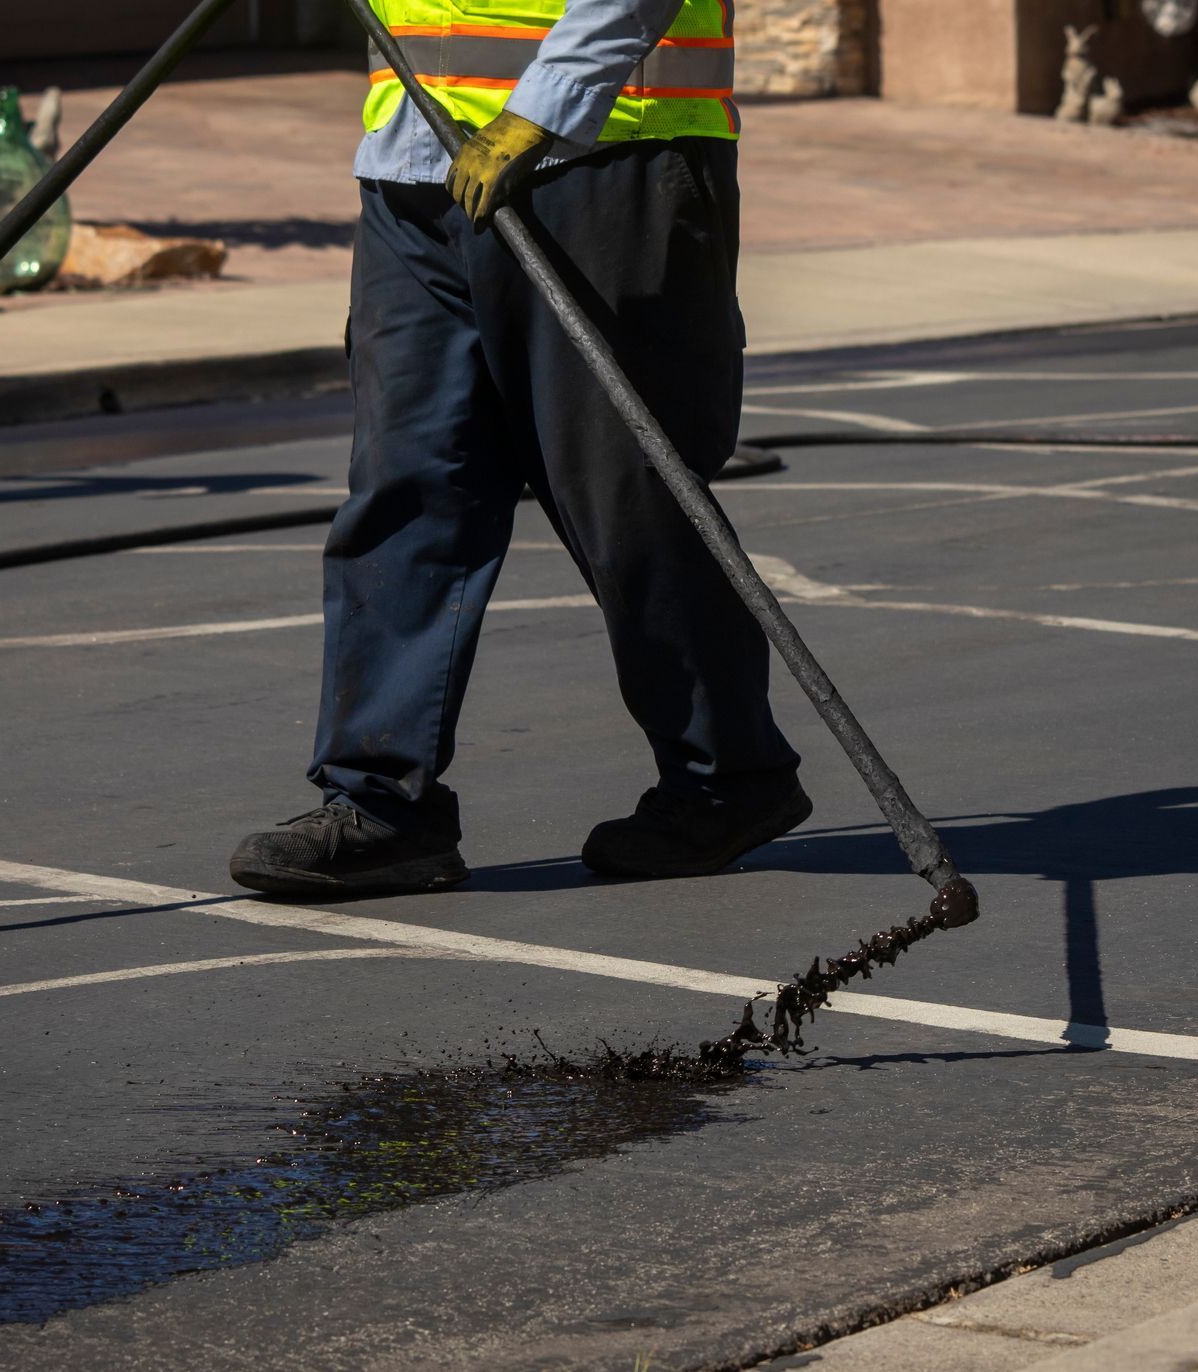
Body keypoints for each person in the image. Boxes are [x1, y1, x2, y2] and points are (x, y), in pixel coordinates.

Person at [228, 0, 810, 899]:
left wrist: (543, 109)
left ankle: (727, 779)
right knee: (407, 483)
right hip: (417, 164)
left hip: (601, 154)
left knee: (625, 491)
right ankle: (383, 802)